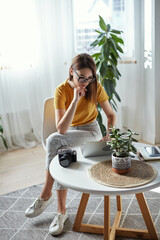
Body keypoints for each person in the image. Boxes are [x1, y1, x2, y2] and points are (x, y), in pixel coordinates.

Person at [25, 53, 116, 235]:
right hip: (71, 132)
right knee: (61, 149)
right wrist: (75, 99)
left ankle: (46, 194)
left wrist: (109, 135)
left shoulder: (95, 87)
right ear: (71, 72)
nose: (86, 82)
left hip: (91, 132)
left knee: (53, 141)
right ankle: (61, 212)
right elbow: (62, 129)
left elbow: (111, 115)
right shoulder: (61, 90)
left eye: (90, 78)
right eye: (81, 77)